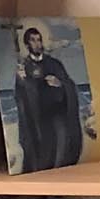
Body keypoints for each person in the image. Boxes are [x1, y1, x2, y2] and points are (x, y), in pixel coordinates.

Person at [14, 22, 87, 170]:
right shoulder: (24, 67)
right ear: (27, 44)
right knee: (41, 153)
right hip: (38, 118)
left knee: (62, 149)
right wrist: (24, 82)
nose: (37, 43)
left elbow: (69, 84)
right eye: (33, 40)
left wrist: (60, 84)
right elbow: (22, 97)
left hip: (57, 114)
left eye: (39, 39)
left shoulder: (54, 63)